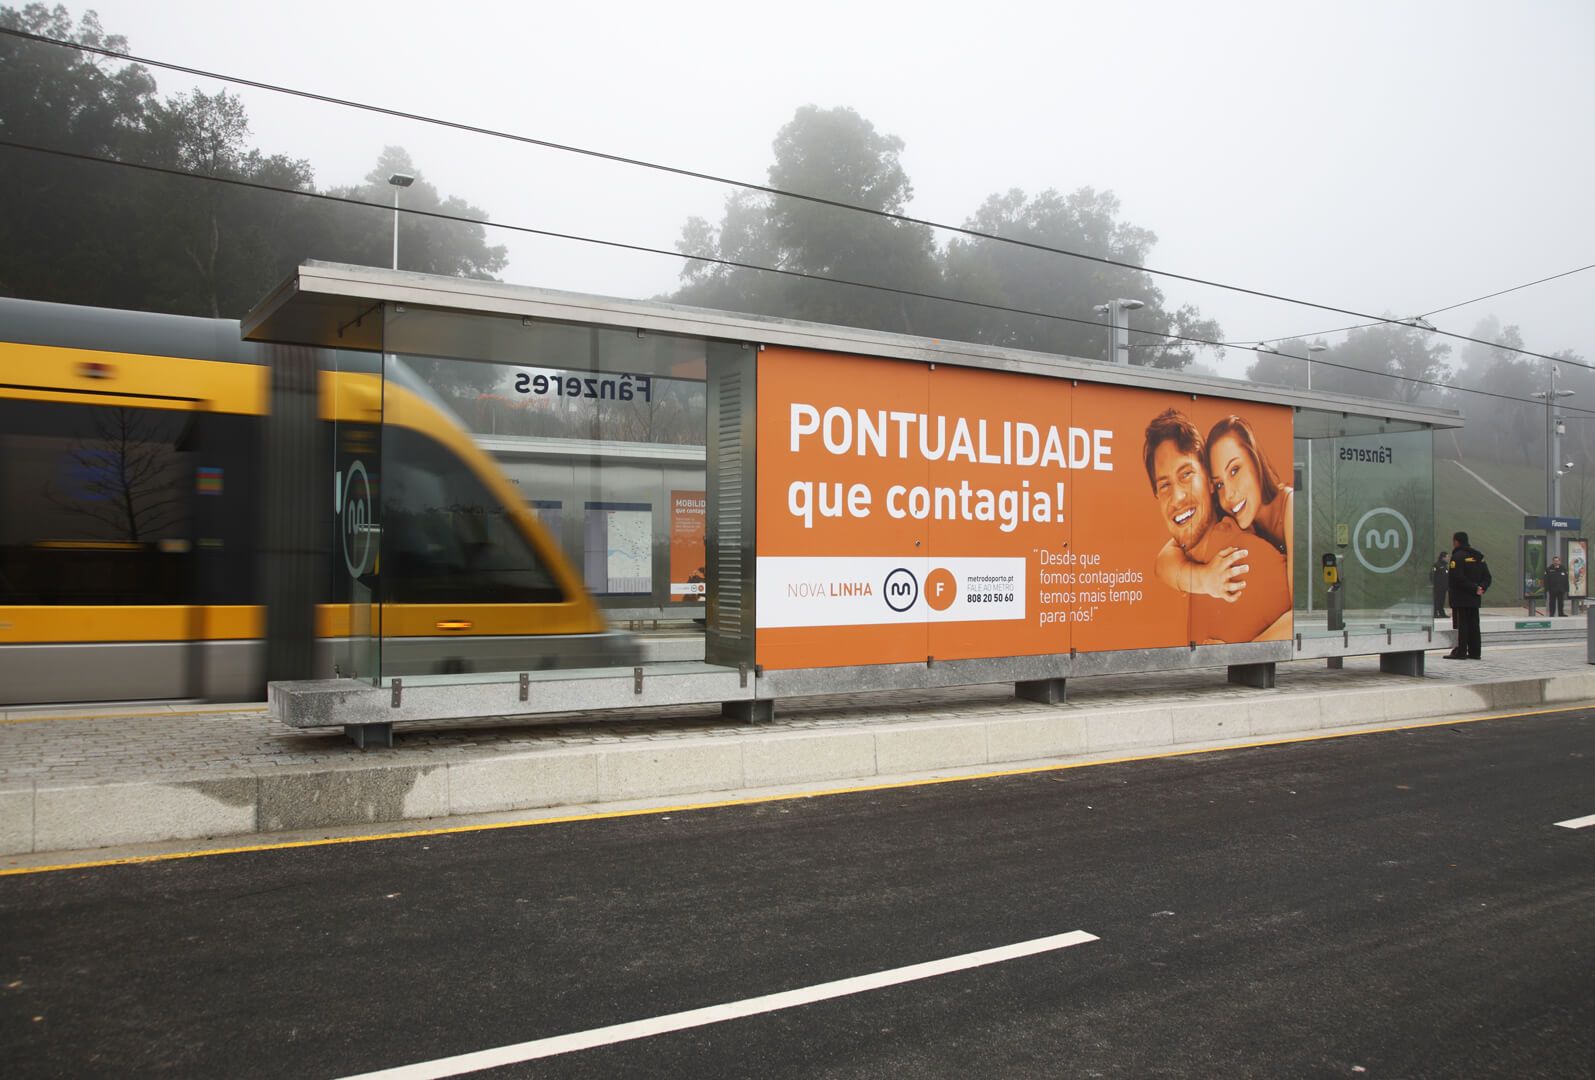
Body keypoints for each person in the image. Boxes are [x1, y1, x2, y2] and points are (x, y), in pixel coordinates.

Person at [1143, 409, 1290, 643]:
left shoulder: (1248, 557)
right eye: (1164, 486)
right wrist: (1205, 579)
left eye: (1186, 474)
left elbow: (1304, 618)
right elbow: (1162, 562)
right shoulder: (1204, 550)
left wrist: (1242, 653)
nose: (1178, 497)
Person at [1445, 531, 1492, 659]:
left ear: (1456, 542)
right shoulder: (1478, 557)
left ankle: (1460, 652)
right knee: (1474, 625)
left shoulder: (1457, 557)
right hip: (1474, 598)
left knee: (1461, 625)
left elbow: (1457, 578)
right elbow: (1487, 577)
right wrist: (1481, 587)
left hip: (1460, 598)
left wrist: (1473, 588)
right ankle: (1475, 652)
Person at [1431, 552, 1450, 617]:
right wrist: (1435, 583)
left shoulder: (1445, 566)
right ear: (1443, 557)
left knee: (1442, 600)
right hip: (1438, 587)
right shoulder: (1436, 565)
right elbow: (1432, 575)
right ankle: (1435, 613)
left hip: (1444, 587)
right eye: (1447, 557)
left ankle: (1441, 613)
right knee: (1437, 600)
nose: (1448, 558)